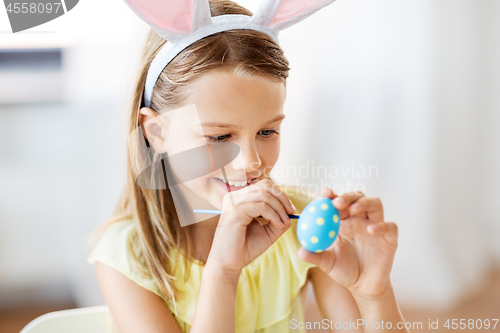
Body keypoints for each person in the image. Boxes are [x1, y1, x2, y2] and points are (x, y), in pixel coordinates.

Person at [86, 0, 409, 332]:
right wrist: (223, 273)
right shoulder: (126, 256)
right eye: (220, 136)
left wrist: (374, 292)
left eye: (267, 131)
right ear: (157, 132)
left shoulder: (299, 224)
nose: (251, 162)